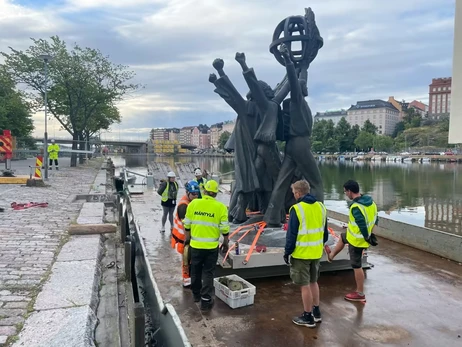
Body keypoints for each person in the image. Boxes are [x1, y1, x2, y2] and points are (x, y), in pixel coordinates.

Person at [284, 180, 328, 328]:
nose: (294, 195)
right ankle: (316, 312)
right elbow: (325, 233)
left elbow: (292, 234)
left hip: (301, 254)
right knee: (313, 282)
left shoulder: (297, 209)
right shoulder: (321, 206)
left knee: (304, 285)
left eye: (294, 193)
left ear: (298, 193)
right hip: (316, 252)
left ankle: (307, 316)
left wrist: (287, 252)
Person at [328, 180, 378, 302]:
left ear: (350, 191)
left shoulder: (356, 207)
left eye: (345, 191)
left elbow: (361, 224)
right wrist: (371, 233)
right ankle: (331, 255)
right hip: (355, 237)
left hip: (357, 241)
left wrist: (366, 237)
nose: (345, 194)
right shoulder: (371, 203)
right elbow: (376, 219)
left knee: (357, 266)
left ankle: (360, 293)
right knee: (343, 237)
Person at [183, 180, 229, 311]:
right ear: (215, 193)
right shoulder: (220, 207)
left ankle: (196, 295)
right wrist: (226, 242)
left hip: (196, 245)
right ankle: (206, 300)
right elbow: (224, 228)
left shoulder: (194, 204)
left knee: (195, 270)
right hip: (211, 247)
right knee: (208, 272)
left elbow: (187, 224)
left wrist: (187, 240)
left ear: (203, 191)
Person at [171, 180, 201, 287]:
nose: (195, 196)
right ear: (188, 193)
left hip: (186, 238)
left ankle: (190, 278)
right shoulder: (184, 206)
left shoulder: (191, 203)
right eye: (193, 194)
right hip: (183, 239)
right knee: (186, 261)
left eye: (197, 194)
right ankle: (187, 281)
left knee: (190, 260)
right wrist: (188, 239)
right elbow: (185, 225)